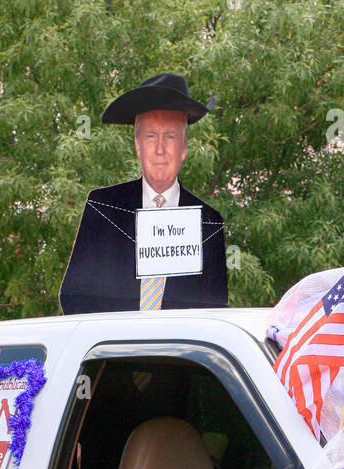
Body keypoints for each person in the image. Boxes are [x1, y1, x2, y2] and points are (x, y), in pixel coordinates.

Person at [60, 73, 227, 315]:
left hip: (178, 352)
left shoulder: (209, 222)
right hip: (112, 350)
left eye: (170, 136)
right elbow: (74, 298)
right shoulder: (102, 208)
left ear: (184, 148)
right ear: (138, 145)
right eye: (151, 136)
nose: (160, 149)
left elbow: (215, 312)